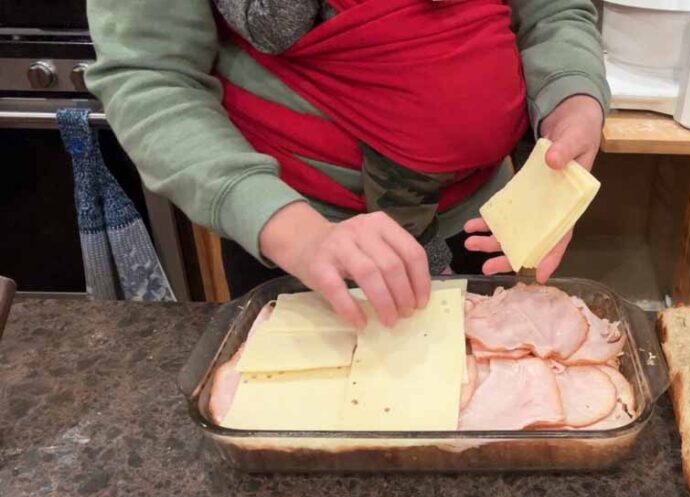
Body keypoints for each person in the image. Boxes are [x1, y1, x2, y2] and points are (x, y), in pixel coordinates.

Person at [86, 0, 608, 329]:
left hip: (481, 228)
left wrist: (572, 97)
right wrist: (295, 232)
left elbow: (553, 12)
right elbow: (151, 76)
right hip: (297, 242)